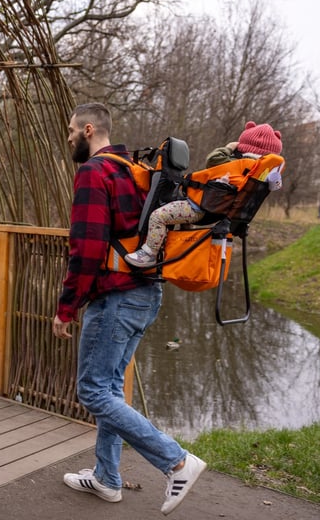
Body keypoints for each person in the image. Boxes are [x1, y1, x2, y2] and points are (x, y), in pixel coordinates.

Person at [52, 102, 206, 516]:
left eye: (70, 130)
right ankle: (106, 478)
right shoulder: (136, 170)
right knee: (110, 387)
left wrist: (67, 307)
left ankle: (176, 461)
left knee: (93, 389)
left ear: (88, 130)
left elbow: (86, 247)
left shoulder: (94, 172)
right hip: (147, 293)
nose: (67, 137)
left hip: (117, 296)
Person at [125, 121, 283, 268]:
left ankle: (149, 253)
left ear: (243, 147)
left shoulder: (236, 163)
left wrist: (230, 146)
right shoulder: (260, 174)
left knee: (158, 216)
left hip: (198, 208)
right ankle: (171, 250)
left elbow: (212, 159)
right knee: (174, 215)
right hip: (214, 212)